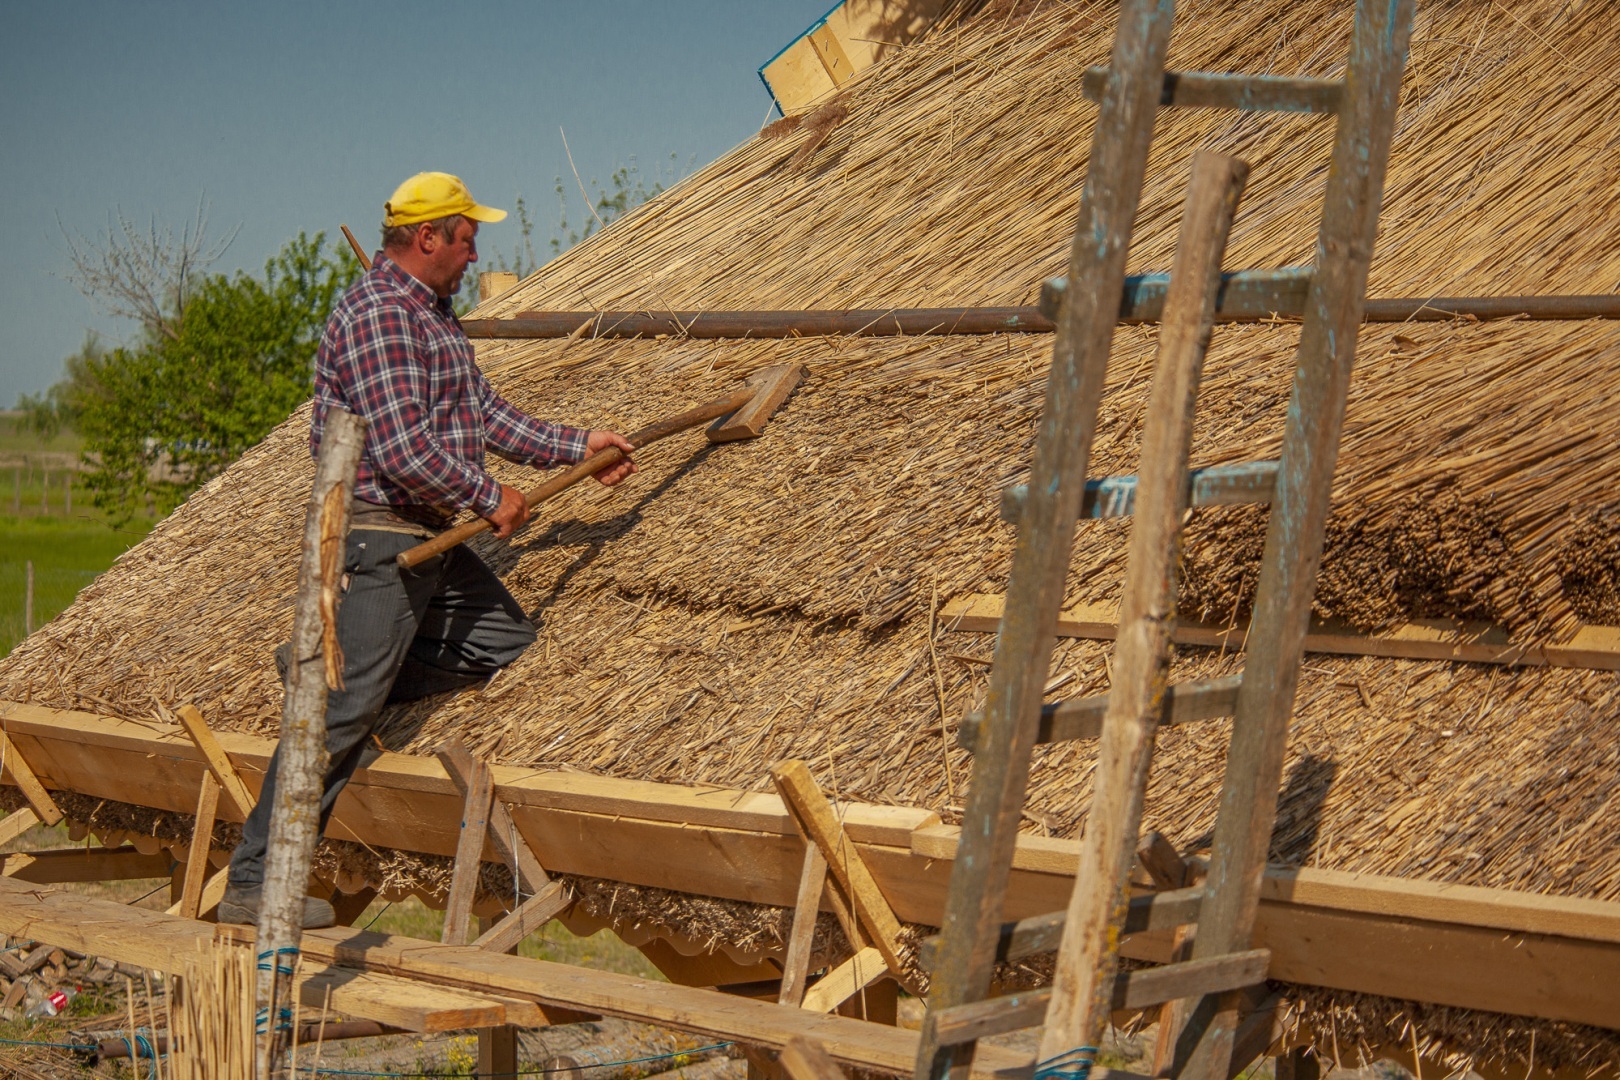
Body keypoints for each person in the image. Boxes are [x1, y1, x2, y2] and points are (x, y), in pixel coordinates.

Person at [220, 172, 636, 928]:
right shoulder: (378, 313)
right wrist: (488, 496)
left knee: (505, 640)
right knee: (339, 713)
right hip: (380, 533)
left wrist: (582, 448)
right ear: (429, 237)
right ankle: (256, 881)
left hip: (431, 536)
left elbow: (485, 415)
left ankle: (355, 660)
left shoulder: (434, 320)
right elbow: (401, 445)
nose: (476, 255)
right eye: (469, 238)